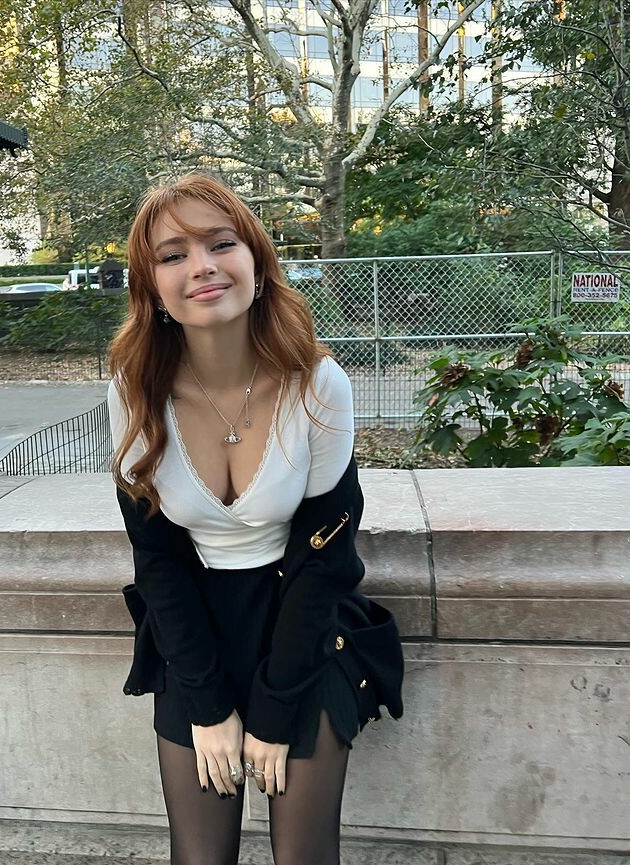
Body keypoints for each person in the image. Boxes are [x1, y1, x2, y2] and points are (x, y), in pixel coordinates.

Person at [107, 173, 387, 865]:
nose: (201, 266)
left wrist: (275, 708)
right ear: (153, 290)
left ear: (257, 264)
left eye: (220, 244)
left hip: (303, 627)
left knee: (304, 856)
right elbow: (158, 560)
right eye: (173, 255)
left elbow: (327, 560)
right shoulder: (133, 391)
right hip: (193, 636)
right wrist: (208, 706)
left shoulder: (318, 384)